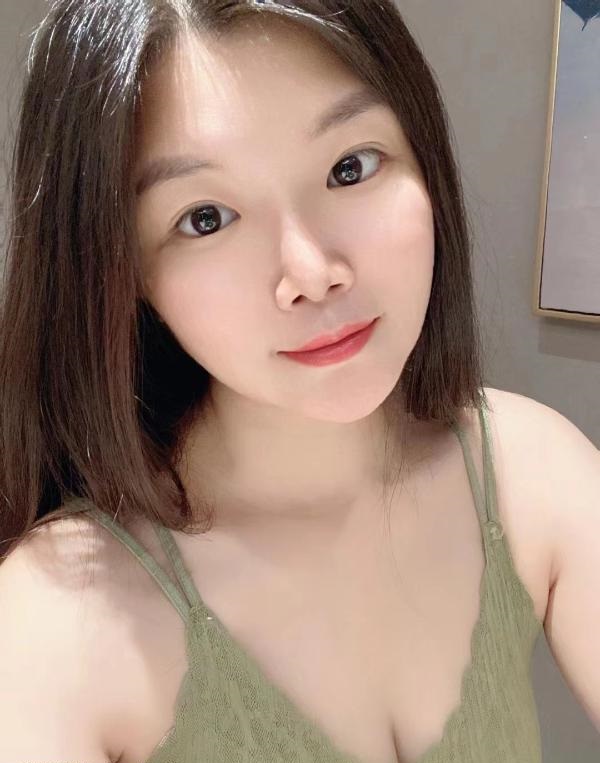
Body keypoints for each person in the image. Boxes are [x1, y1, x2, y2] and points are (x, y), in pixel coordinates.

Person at [0, 2, 599, 762]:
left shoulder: (529, 471)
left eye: (351, 167)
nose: (312, 274)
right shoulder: (60, 619)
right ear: (122, 273)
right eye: (206, 217)